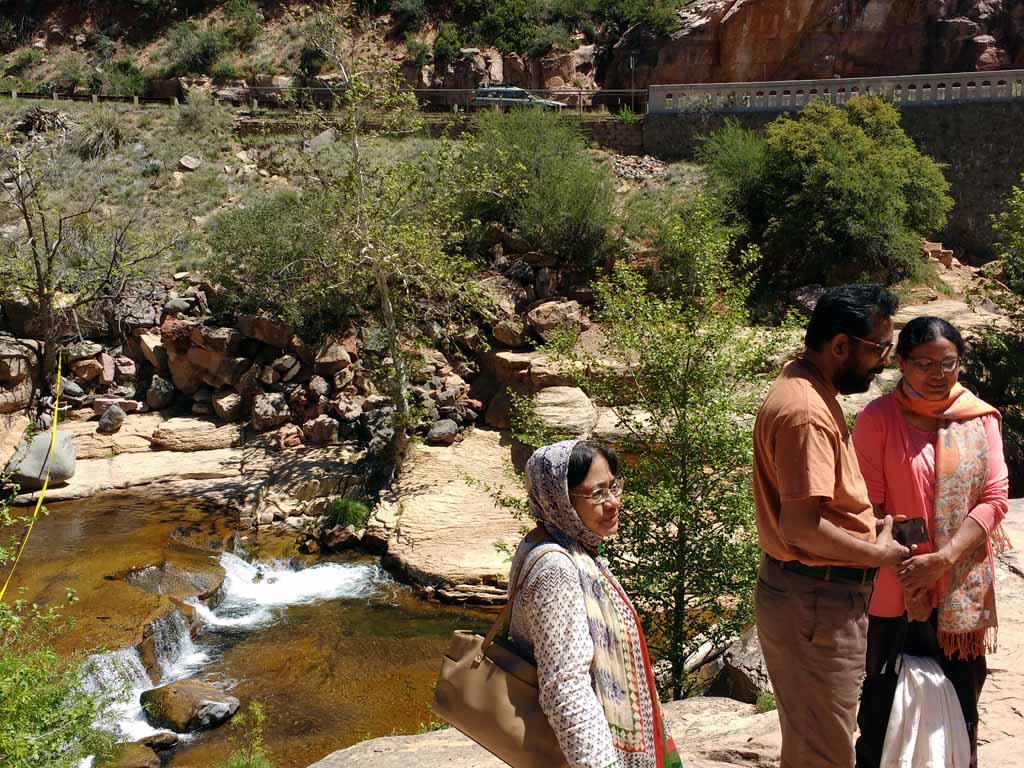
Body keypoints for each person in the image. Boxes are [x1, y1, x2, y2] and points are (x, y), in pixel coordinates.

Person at [752, 284, 910, 768]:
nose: (884, 362)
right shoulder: (806, 413)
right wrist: (877, 554)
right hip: (816, 602)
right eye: (879, 349)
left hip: (810, 597)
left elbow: (816, 510)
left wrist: (866, 526)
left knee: (813, 743)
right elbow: (802, 528)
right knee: (825, 753)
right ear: (840, 345)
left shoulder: (805, 385)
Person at [853, 316, 1009, 768]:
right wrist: (912, 583)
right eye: (925, 364)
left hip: (960, 589)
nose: (939, 374)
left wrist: (941, 560)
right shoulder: (878, 419)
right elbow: (870, 508)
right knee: (885, 715)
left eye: (948, 363)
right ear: (901, 363)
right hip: (892, 590)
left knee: (960, 715)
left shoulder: (980, 418)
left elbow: (995, 498)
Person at [508, 439, 683, 768]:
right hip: (588, 753)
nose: (614, 502)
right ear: (560, 499)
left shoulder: (554, 542)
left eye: (613, 486)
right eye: (597, 493)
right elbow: (565, 686)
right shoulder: (556, 568)